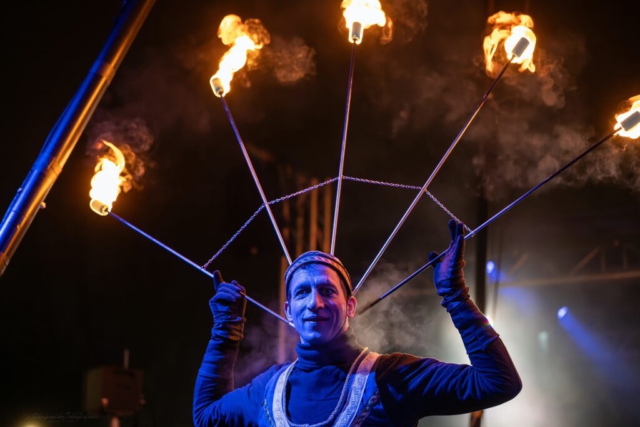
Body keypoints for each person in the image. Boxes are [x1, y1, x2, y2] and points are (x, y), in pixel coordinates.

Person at [193, 221, 522, 426]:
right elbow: (206, 418)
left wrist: (455, 296)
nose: (315, 303)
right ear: (289, 312)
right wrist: (226, 330)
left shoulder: (390, 377)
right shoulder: (269, 389)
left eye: (326, 290)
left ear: (350, 306)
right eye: (303, 293)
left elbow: (499, 383)